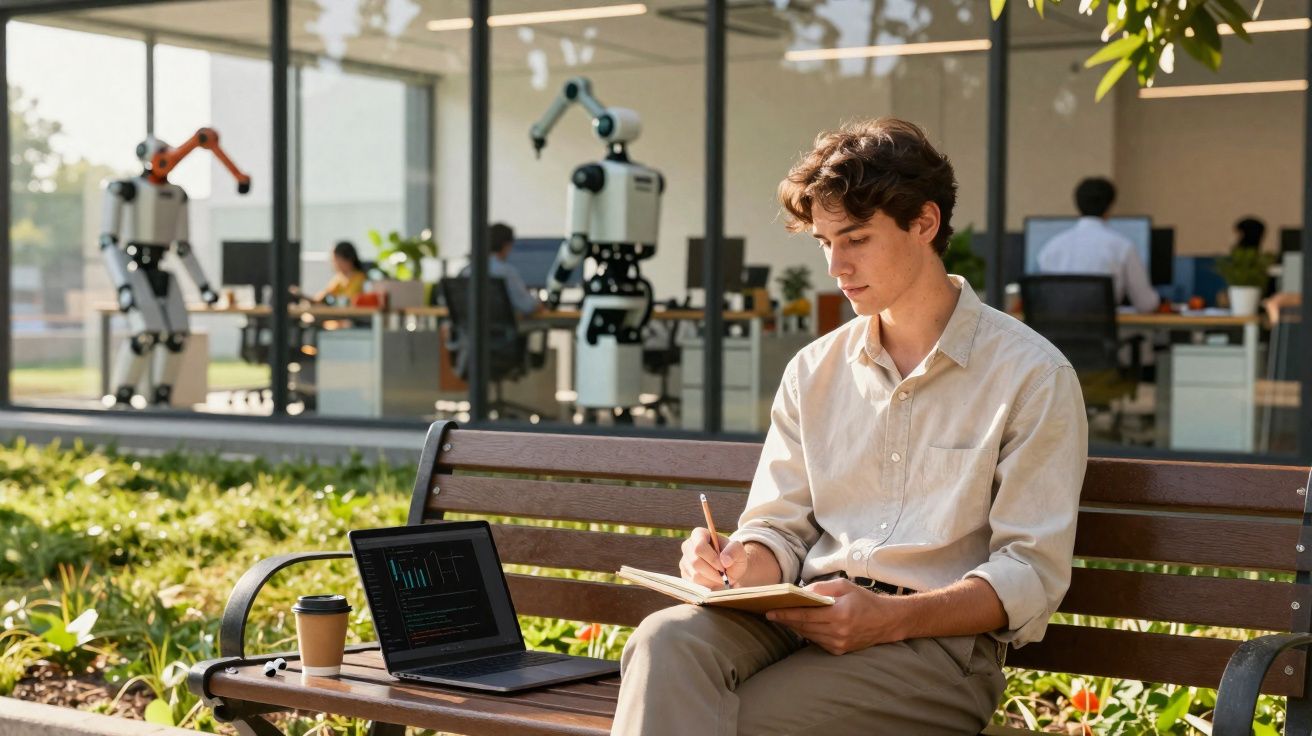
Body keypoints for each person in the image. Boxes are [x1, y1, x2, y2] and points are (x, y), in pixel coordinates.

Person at [612, 118, 1088, 735]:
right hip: (802, 618)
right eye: (824, 242)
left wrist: (890, 618)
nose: (836, 265)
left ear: (924, 223)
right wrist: (737, 563)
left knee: (737, 721)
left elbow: (1030, 573)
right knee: (665, 640)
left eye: (857, 238)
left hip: (935, 652)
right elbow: (779, 530)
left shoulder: (1031, 376)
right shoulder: (813, 370)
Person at [1036, 177, 1160, 313]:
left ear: (1077, 204)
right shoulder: (1122, 246)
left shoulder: (1050, 247)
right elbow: (1146, 304)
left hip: (1054, 333)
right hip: (1103, 333)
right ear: (1110, 206)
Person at [459, 223, 544, 316]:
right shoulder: (507, 272)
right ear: (507, 246)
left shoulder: (466, 271)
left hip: (470, 329)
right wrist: (540, 303)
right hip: (501, 329)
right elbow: (528, 306)